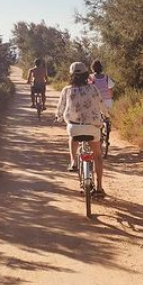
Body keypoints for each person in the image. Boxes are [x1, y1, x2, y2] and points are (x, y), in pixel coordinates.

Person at [55, 61, 110, 197]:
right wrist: (106, 115)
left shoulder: (67, 90)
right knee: (97, 155)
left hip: (74, 127)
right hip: (93, 127)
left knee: (72, 136)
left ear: (71, 75)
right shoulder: (93, 89)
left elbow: (60, 108)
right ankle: (99, 188)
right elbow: (101, 104)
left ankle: (73, 161)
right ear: (86, 74)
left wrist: (59, 117)